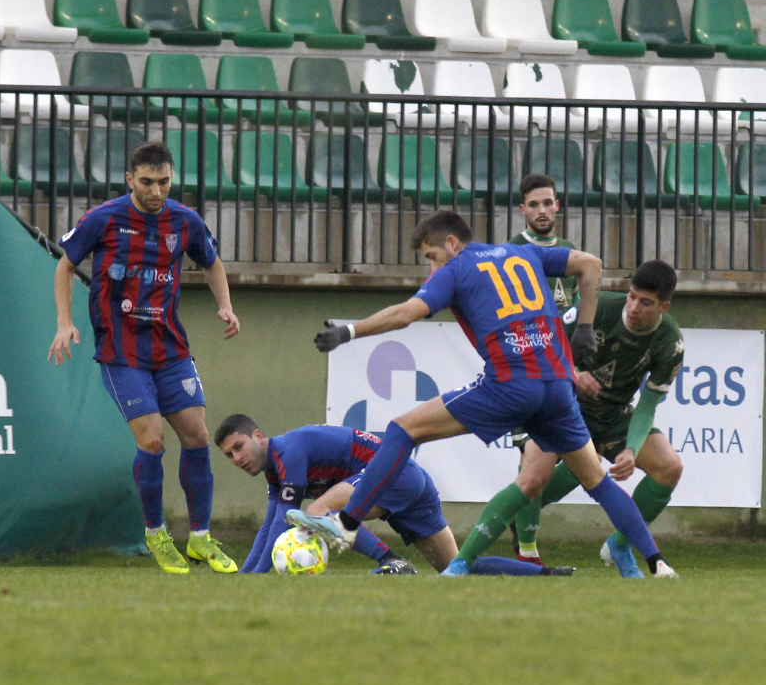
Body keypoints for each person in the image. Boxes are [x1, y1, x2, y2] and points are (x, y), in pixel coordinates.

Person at [291, 209, 679, 578]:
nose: (431, 267)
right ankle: (658, 563)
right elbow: (591, 264)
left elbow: (406, 313)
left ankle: (346, 522)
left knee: (402, 430)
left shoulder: (456, 269)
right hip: (559, 388)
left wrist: (350, 331)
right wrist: (584, 326)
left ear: (452, 242)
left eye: (431, 256)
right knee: (597, 480)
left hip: (511, 385)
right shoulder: (522, 252)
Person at [49, 141, 240, 575]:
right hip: (121, 351)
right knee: (153, 439)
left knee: (195, 434)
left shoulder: (185, 220)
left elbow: (212, 264)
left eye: (164, 182)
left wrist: (225, 305)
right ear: (130, 179)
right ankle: (156, 534)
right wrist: (65, 322)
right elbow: (64, 266)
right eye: (148, 182)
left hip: (170, 347)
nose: (157, 191)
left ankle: (200, 538)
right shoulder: (104, 218)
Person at [216, 415, 575, 577]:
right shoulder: (273, 468)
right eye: (229, 455)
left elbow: (283, 521)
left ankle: (392, 561)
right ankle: (545, 574)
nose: (237, 458)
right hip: (408, 483)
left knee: (318, 509)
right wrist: (246, 574)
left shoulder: (287, 451)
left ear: (259, 436)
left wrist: (257, 577)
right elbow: (268, 526)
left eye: (239, 446)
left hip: (397, 474)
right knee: (456, 568)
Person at [511, 261, 684, 577]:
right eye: (632, 296)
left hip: (611, 413)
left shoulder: (670, 341)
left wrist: (631, 449)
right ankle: (525, 549)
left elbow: (647, 405)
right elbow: (544, 351)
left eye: (645, 303)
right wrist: (575, 374)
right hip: (559, 402)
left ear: (664, 307)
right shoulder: (597, 307)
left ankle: (620, 545)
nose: (634, 307)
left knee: (669, 467)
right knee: (533, 477)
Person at [508, 173, 580, 564]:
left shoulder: (569, 251)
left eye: (547, 203)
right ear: (523, 209)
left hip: (564, 374)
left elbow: (580, 297)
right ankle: (528, 553)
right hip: (525, 373)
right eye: (533, 204)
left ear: (557, 206)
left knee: (584, 459)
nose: (541, 210)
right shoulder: (509, 252)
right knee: (532, 459)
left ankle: (513, 510)